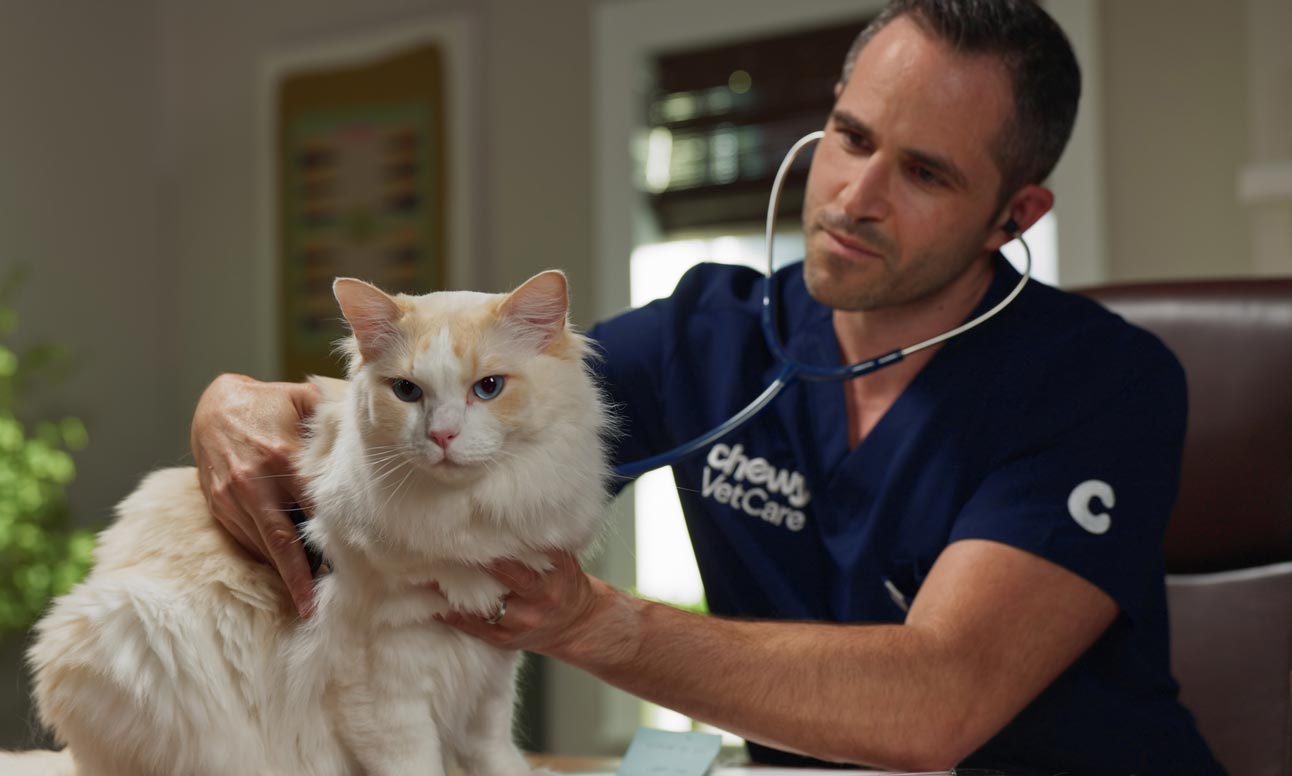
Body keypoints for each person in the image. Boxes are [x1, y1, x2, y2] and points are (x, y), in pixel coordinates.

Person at [191, 1, 1223, 772]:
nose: (853, 196)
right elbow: (473, 398)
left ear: (1014, 212)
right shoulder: (711, 333)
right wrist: (234, 403)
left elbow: (933, 705)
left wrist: (596, 623)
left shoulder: (1103, 383)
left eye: (923, 173)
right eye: (852, 136)